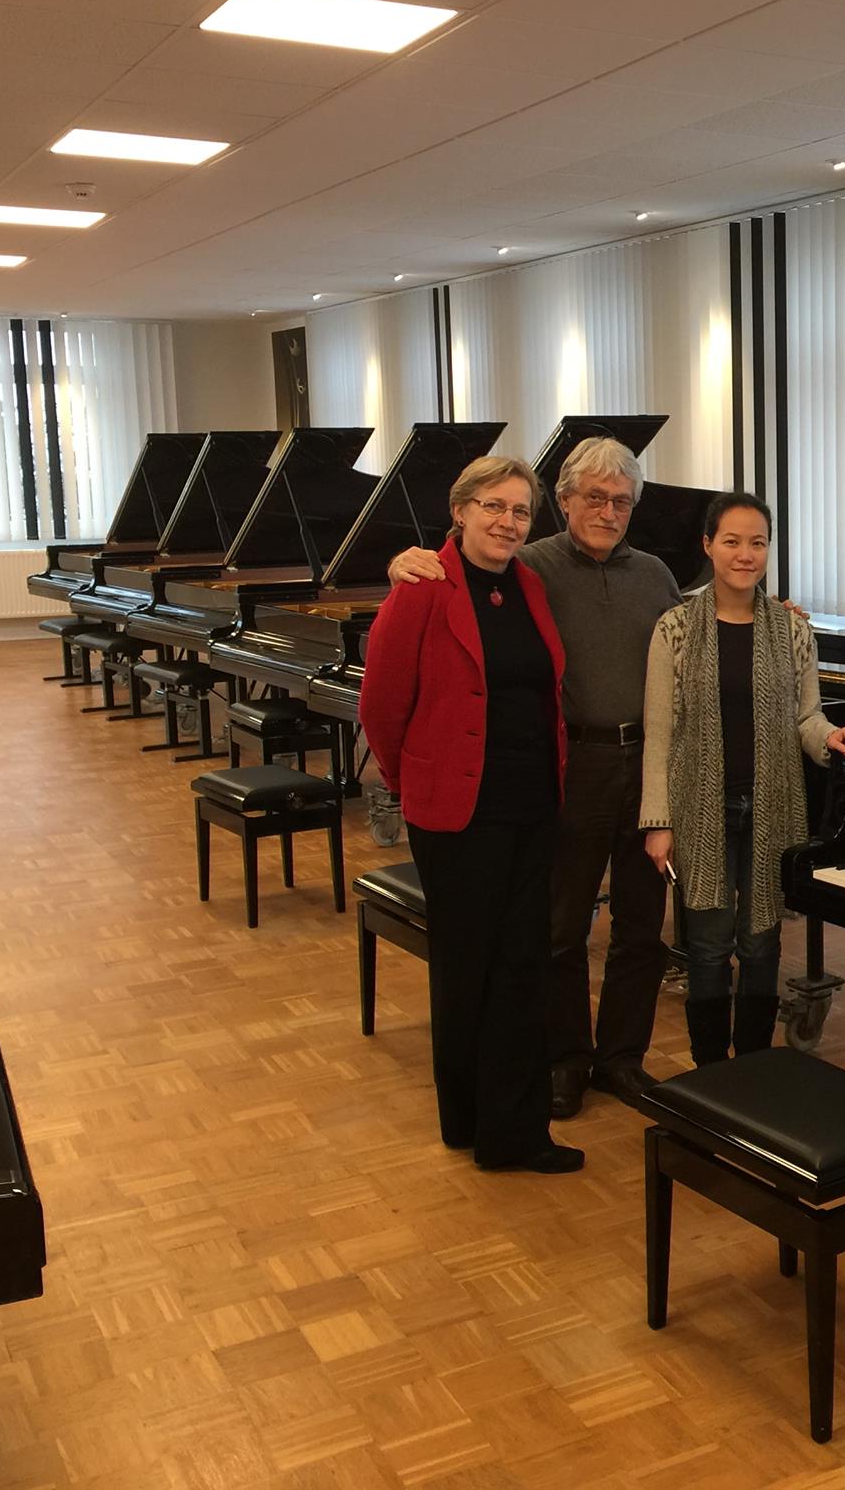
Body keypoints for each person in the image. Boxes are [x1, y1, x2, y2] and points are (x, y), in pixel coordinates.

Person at [386, 437, 681, 1115]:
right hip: (569, 765)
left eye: (622, 500)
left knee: (641, 925)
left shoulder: (658, 576)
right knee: (561, 925)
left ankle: (622, 1059)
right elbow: (460, 568)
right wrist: (404, 560)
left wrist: (773, 614)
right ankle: (565, 1057)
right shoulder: (530, 566)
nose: (608, 511)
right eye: (594, 497)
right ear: (567, 500)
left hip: (647, 766)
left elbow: (695, 644)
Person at [360, 456, 580, 1173]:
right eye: (493, 506)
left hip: (531, 804)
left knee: (518, 966)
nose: (507, 522)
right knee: (467, 967)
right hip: (457, 813)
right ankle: (474, 1120)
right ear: (460, 510)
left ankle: (501, 1129)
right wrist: (409, 783)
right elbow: (382, 704)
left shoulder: (532, 587)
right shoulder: (423, 587)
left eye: (520, 511)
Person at [638, 494, 845, 1064]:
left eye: (757, 542)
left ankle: (758, 1068)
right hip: (700, 810)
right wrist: (658, 823)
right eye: (732, 541)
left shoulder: (791, 631)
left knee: (762, 941)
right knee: (710, 947)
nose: (745, 554)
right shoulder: (675, 629)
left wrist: (830, 737)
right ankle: (711, 1070)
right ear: (708, 545)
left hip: (772, 807)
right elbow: (659, 735)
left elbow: (806, 718)